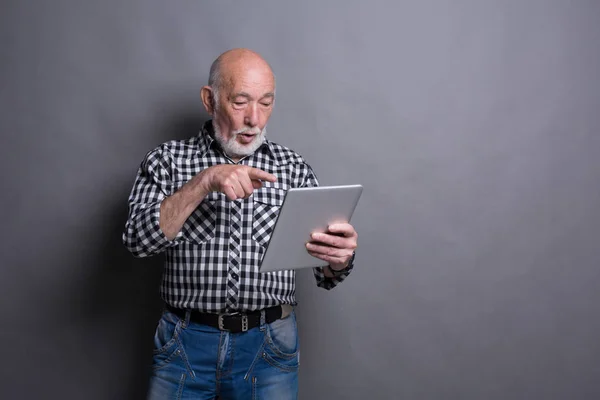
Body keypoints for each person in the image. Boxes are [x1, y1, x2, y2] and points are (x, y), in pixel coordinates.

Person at [122, 48, 358, 400]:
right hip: (185, 344)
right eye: (240, 102)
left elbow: (326, 274)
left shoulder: (293, 168)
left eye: (266, 103)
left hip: (269, 347)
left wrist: (339, 260)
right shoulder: (166, 161)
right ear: (209, 100)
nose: (255, 119)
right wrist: (203, 182)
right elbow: (137, 241)